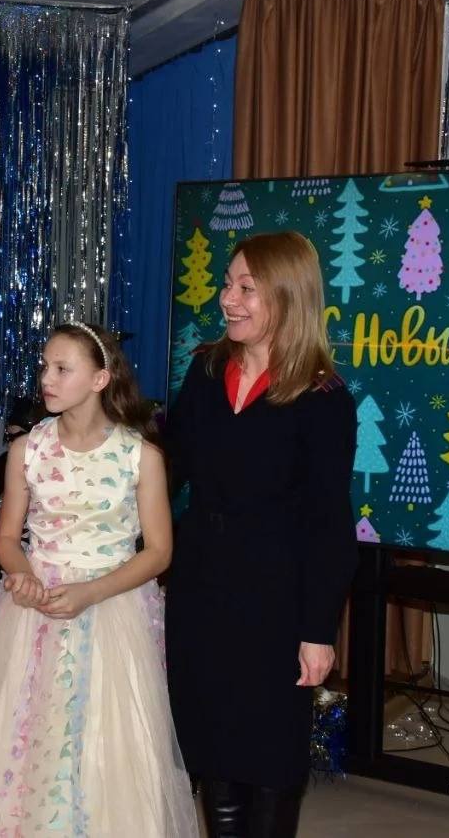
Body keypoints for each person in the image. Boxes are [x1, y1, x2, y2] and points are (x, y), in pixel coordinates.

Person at [0, 322, 198, 836]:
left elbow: (159, 551)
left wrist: (91, 592)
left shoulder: (140, 455)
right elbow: (7, 539)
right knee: (28, 736)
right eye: (45, 367)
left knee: (106, 740)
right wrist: (23, 576)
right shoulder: (28, 450)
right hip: (37, 612)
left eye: (62, 369)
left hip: (111, 612)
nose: (47, 379)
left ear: (100, 379)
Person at [165, 231, 358, 837]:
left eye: (247, 288)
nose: (228, 299)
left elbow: (330, 522)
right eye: (228, 284)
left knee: (269, 750)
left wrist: (318, 631)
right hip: (201, 586)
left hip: (277, 600)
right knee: (209, 739)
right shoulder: (206, 370)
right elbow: (168, 469)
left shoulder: (323, 396)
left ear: (287, 295)